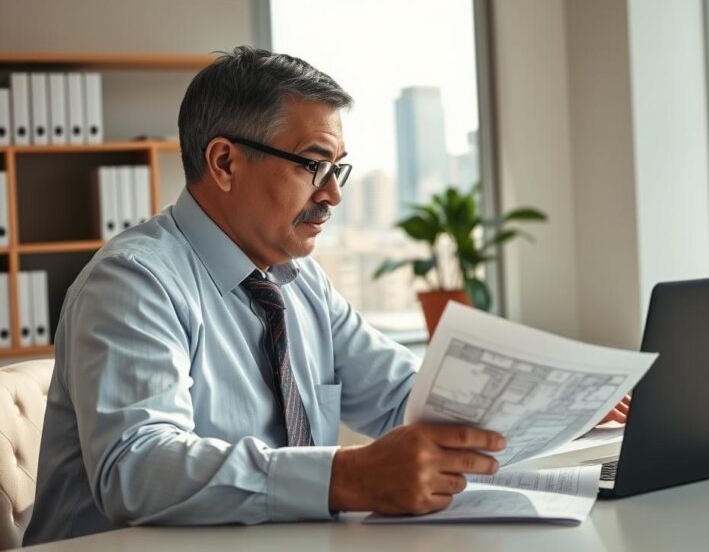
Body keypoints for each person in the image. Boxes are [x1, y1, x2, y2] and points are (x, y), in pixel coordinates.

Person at [23, 46, 627, 545]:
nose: (333, 195)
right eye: (314, 166)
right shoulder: (134, 281)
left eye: (340, 169)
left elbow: (405, 399)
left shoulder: (297, 280)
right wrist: (346, 475)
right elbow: (137, 469)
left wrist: (556, 402)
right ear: (225, 162)